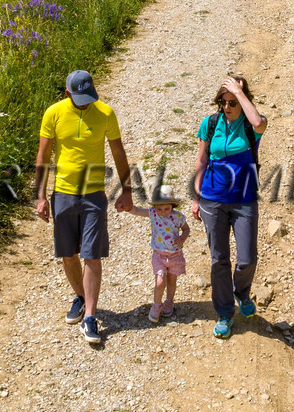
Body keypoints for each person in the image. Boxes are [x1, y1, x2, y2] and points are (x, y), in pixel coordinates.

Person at [35, 69, 133, 345]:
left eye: (90, 97)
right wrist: (41, 196)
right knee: (68, 255)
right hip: (63, 193)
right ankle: (80, 296)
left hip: (94, 194)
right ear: (67, 94)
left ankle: (90, 316)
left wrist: (127, 190)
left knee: (92, 255)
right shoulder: (53, 114)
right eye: (80, 98)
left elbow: (118, 152)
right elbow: (42, 156)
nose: (87, 102)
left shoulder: (105, 113)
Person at [190, 75, 266, 339]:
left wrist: (239, 92)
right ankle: (224, 312)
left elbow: (258, 122)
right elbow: (201, 161)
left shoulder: (250, 124)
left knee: (247, 259)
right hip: (213, 198)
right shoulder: (210, 125)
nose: (228, 107)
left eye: (233, 102)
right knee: (218, 259)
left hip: (244, 199)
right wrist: (196, 197)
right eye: (224, 101)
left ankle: (241, 293)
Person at [128, 185, 189, 323]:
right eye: (159, 208)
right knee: (160, 281)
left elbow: (186, 229)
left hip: (175, 256)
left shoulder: (178, 217)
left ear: (172, 206)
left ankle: (169, 301)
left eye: (166, 208)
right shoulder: (152, 213)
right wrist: (127, 206)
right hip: (159, 256)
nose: (162, 212)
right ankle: (156, 305)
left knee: (172, 281)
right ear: (155, 207)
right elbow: (136, 210)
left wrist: (182, 238)